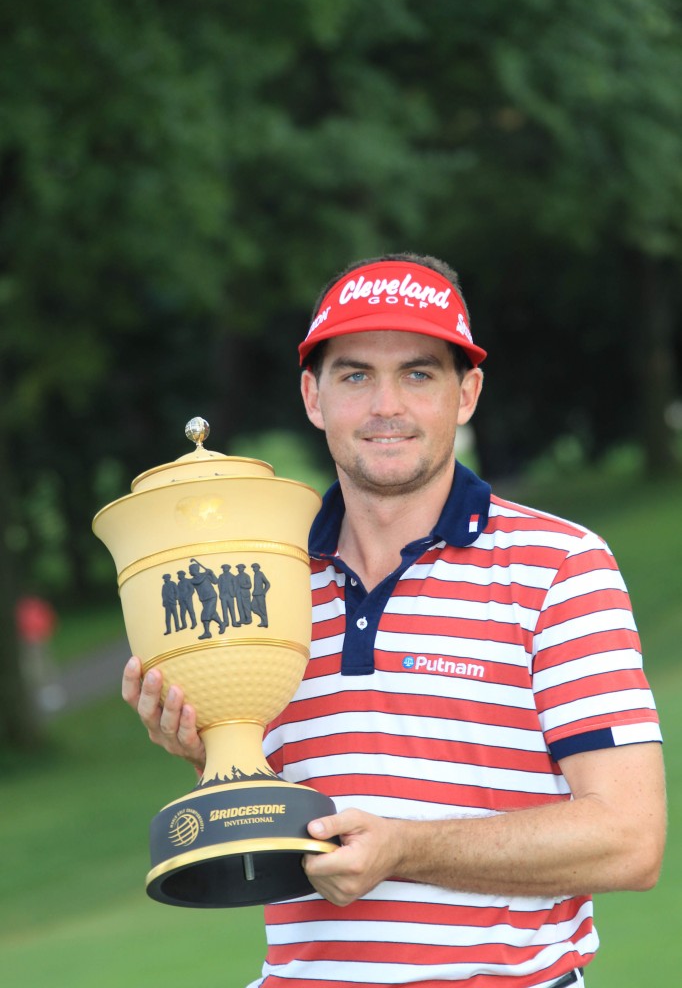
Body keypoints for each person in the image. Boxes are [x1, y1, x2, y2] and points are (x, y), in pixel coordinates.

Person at [123, 253, 666, 988]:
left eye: (418, 373)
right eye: (355, 375)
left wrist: (405, 849)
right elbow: (289, 827)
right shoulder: (262, 578)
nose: (387, 406)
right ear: (313, 397)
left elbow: (630, 841)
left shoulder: (559, 566)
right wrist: (206, 746)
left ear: (466, 393)